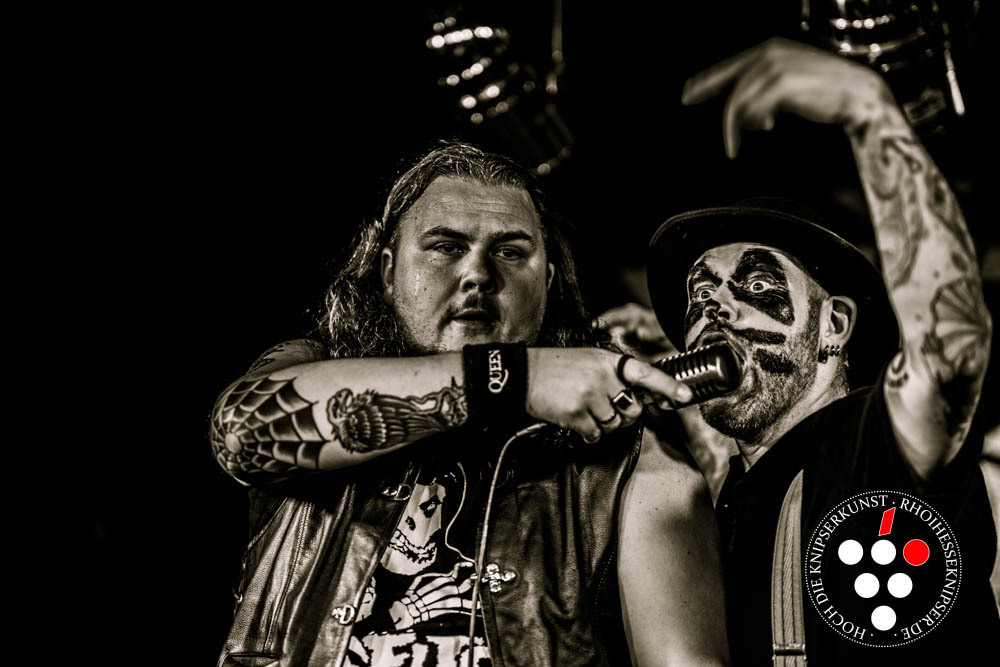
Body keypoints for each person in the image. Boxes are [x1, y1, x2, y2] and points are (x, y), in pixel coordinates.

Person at [210, 142, 730, 666]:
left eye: (511, 252)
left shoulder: (630, 459)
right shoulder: (314, 364)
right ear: (388, 274)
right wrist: (511, 378)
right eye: (446, 246)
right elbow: (240, 432)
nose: (478, 273)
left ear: (547, 284)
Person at [642, 38, 998, 664]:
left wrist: (870, 110)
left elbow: (949, 348)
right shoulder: (727, 504)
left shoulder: (876, 445)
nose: (712, 309)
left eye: (756, 287)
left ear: (834, 324)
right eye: (698, 297)